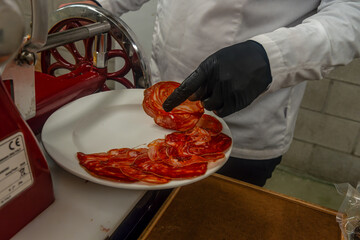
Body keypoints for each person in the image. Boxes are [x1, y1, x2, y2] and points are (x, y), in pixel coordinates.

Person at [69, 0, 360, 186]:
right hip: (157, 113)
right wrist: (92, 5)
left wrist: (270, 57)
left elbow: (352, 14)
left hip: (246, 128)